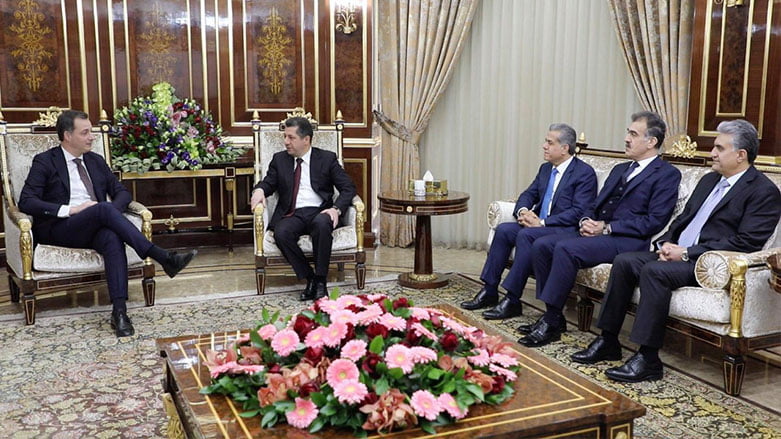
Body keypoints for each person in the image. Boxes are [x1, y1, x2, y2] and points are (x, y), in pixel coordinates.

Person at [571, 119, 781, 383]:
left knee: (654, 271)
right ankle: (608, 341)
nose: (712, 153)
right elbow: (682, 220)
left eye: (719, 148)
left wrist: (686, 252)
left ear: (741, 155)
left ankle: (648, 359)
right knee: (624, 262)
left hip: (707, 264)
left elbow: (745, 243)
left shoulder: (763, 191)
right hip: (679, 254)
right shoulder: (709, 180)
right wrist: (665, 244)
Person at [18, 110, 196, 337]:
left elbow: (122, 193)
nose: (92, 137)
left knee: (112, 237)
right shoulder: (45, 161)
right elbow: (26, 201)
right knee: (102, 209)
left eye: (91, 131)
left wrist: (109, 213)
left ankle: (119, 313)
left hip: (95, 225)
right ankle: (162, 257)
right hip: (61, 228)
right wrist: (72, 210)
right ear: (67, 136)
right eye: (85, 133)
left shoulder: (95, 161)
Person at [517, 111, 681, 348]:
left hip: (628, 240)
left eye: (633, 134)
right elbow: (593, 205)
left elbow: (654, 221)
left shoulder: (667, 174)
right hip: (597, 234)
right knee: (542, 244)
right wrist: (586, 220)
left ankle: (551, 323)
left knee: (565, 249)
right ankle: (553, 314)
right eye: (628, 132)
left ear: (651, 142)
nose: (626, 138)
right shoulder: (620, 169)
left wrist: (607, 227)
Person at [460, 123, 598, 321]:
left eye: (549, 142)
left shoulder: (584, 173)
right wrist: (523, 211)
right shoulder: (546, 169)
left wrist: (542, 222)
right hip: (539, 226)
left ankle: (512, 299)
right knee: (504, 230)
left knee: (526, 235)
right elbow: (528, 194)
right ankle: (489, 290)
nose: (544, 146)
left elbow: (579, 212)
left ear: (564, 148)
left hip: (564, 230)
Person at [250, 116, 356, 301]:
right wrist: (259, 190)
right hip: (293, 213)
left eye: (291, 137)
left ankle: (321, 282)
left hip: (320, 211)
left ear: (306, 139)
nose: (286, 142)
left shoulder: (327, 158)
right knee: (281, 233)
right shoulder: (280, 159)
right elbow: (268, 183)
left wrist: (336, 209)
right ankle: (310, 278)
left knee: (322, 224)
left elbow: (348, 188)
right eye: (285, 136)